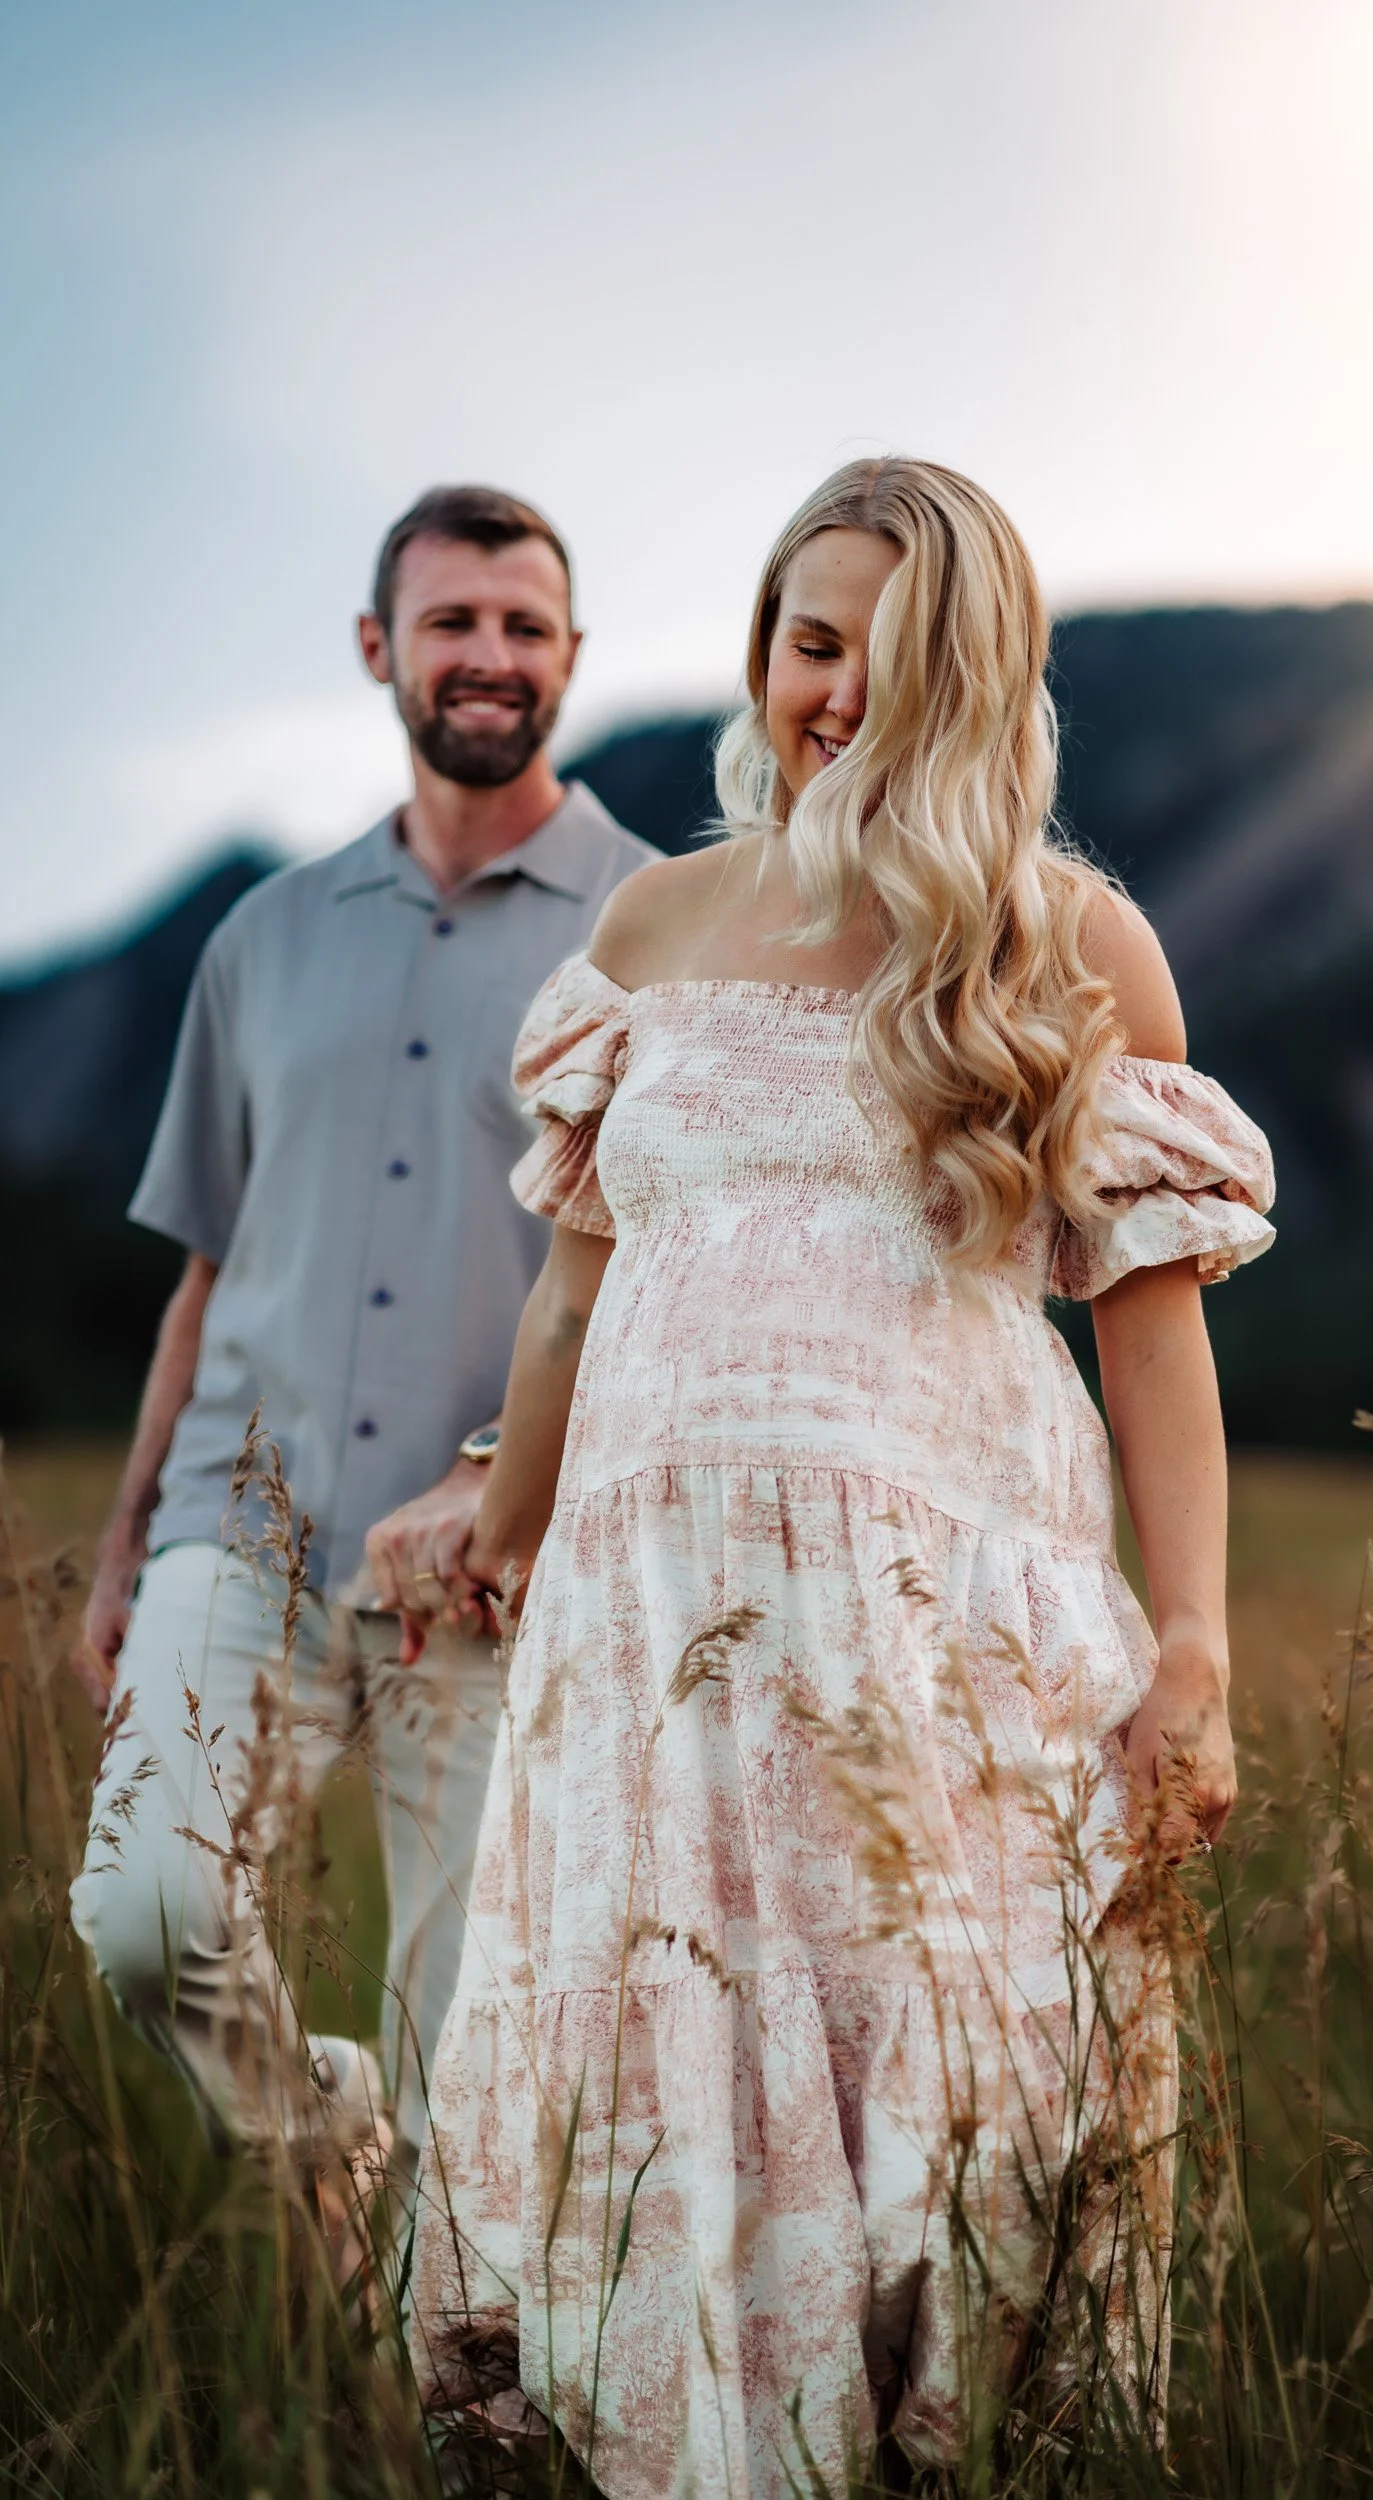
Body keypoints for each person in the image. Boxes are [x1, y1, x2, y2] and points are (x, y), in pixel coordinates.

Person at [406, 457, 1275, 2493]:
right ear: (761, 650)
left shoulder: (1071, 944)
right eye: (811, 646)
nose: (840, 698)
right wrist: (503, 1512)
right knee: (661, 2086)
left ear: (978, 681)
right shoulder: (651, 925)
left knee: (942, 2118)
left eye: (896, 660)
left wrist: (1195, 1646)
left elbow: (1153, 1336)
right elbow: (568, 1297)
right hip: (653, 1641)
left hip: (934, 1641)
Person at [70, 485, 658, 2195]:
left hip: (493, 1571)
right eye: (454, 622)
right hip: (235, 1530)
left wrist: (499, 1484)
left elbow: (662, 1273)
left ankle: (425, 2397)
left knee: (463, 2023)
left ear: (570, 658)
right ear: (377, 647)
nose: (489, 658)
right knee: (141, 1914)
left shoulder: (654, 925)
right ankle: (322, 2137)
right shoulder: (259, 939)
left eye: (524, 627)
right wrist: (125, 1547)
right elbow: (204, 1272)